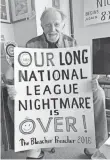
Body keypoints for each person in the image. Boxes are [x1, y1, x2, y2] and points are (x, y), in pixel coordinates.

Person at [5, 8, 108, 159]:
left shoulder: (71, 43)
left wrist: (92, 82)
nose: (52, 29)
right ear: (42, 26)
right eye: (47, 25)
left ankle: (93, 146)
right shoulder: (31, 45)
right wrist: (12, 86)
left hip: (67, 92)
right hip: (40, 94)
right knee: (12, 100)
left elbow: (80, 73)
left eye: (56, 24)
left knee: (99, 93)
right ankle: (32, 146)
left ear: (63, 25)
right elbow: (16, 74)